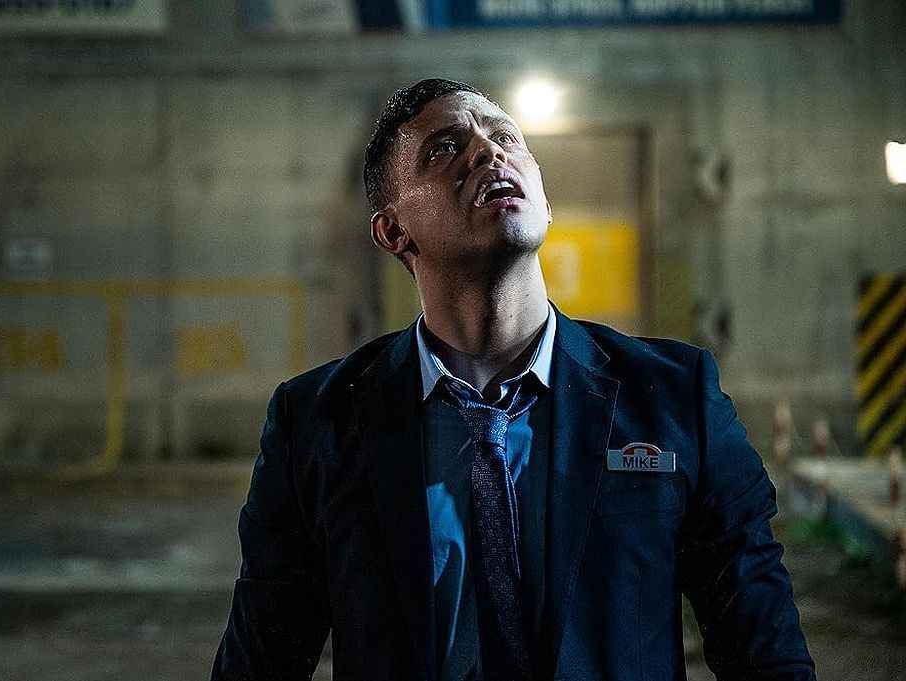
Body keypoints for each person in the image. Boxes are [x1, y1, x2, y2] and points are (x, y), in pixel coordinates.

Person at [211, 78, 816, 681]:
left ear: (544, 200)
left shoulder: (674, 397)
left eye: (505, 137)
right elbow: (259, 662)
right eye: (444, 148)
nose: (487, 151)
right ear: (395, 232)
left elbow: (765, 651)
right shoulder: (317, 422)